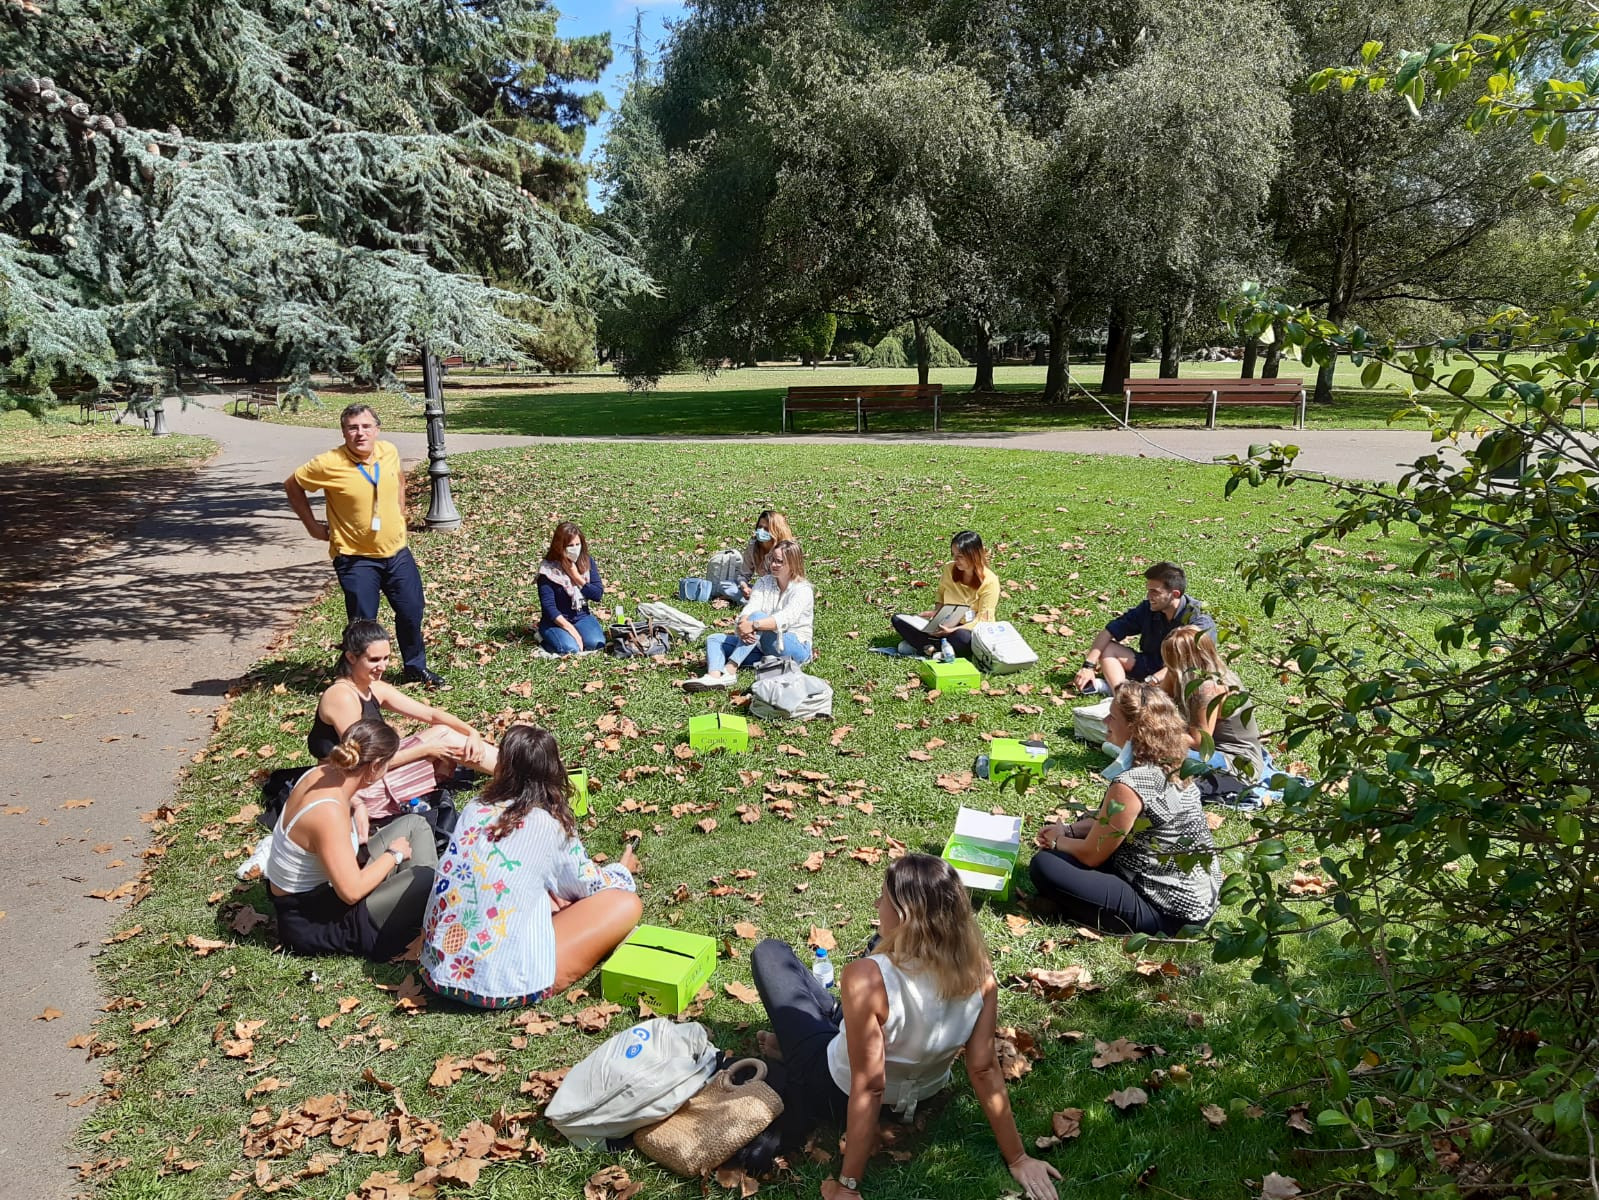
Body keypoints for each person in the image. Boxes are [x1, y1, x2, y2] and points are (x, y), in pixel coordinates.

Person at [749, 854, 1060, 1200]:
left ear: (905, 916)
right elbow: (984, 1068)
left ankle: (801, 1046)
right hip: (921, 1095)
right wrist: (1018, 1157)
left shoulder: (866, 976)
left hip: (836, 1089)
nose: (876, 903)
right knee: (866, 964)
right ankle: (833, 1022)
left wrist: (848, 1185)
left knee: (771, 953)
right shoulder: (980, 972)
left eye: (883, 897)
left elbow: (869, 1088)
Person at [421, 725, 642, 1007]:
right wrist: (621, 870)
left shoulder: (475, 807)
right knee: (625, 904)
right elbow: (589, 885)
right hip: (499, 984)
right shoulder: (549, 825)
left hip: (436, 971)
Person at [1030, 683, 1222, 935]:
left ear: (1134, 728)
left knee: (1046, 865)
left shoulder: (1131, 784)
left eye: (1113, 716)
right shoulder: (1175, 764)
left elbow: (1091, 854)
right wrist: (1069, 830)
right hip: (1199, 901)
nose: (1106, 720)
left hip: (1168, 913)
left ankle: (1079, 912)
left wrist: (1057, 842)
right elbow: (1114, 825)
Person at [285, 403, 442, 687]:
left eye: (366, 427)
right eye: (352, 428)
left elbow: (399, 480)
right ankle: (356, 680)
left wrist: (400, 513)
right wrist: (311, 526)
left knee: (411, 610)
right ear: (344, 432)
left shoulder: (389, 451)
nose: (360, 433)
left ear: (376, 430)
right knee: (362, 623)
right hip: (355, 558)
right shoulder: (328, 463)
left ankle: (415, 668)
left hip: (396, 552)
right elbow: (292, 485)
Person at [266, 718, 438, 960]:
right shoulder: (329, 813)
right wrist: (393, 856)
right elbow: (351, 892)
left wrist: (358, 805)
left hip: (325, 892)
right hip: (313, 918)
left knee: (415, 823)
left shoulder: (319, 772)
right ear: (376, 765)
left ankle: (414, 905)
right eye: (388, 765)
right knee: (427, 877)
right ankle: (419, 908)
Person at [310, 620, 496, 820]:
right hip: (349, 785)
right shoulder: (342, 696)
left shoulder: (373, 687)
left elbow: (430, 715)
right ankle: (519, 773)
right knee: (442, 741)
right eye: (374, 660)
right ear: (351, 657)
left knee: (444, 732)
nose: (382, 666)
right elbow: (364, 762)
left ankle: (517, 767)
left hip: (376, 768)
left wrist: (471, 733)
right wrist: (426, 750)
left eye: (386, 658)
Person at [683, 539, 814, 691]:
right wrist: (742, 624)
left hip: (794, 648)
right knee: (714, 639)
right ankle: (714, 677)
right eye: (772, 559)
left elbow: (784, 619)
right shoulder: (764, 582)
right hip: (763, 646)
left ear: (792, 564)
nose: (773, 565)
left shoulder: (803, 590)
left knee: (758, 617)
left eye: (779, 562)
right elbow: (751, 607)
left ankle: (731, 669)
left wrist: (753, 625)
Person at [1072, 561, 1216, 693]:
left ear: (1175, 594)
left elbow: (1191, 664)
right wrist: (1088, 666)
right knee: (1108, 648)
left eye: (1155, 592)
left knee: (1184, 676)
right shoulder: (1148, 608)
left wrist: (1152, 680)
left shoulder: (1199, 620)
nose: (1149, 596)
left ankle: (1136, 693)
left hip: (1178, 673)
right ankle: (1121, 694)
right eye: (1148, 590)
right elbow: (1109, 631)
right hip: (1149, 664)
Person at [1159, 625, 1266, 783]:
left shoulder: (1207, 689)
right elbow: (1160, 699)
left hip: (1236, 763)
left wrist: (1154, 734)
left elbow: (1199, 743)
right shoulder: (1182, 674)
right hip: (1211, 751)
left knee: (1157, 752)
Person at [889, 530, 999, 659]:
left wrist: (952, 631)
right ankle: (933, 648)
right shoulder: (949, 569)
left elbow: (983, 620)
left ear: (974, 555)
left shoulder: (990, 581)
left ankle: (924, 645)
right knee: (898, 619)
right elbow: (941, 594)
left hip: (967, 628)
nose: (955, 560)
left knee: (963, 638)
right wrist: (936, 613)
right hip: (945, 622)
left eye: (960, 556)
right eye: (953, 555)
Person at [536, 521, 607, 655]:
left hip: (581, 616)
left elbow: (597, 594)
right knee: (570, 649)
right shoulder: (547, 570)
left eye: (577, 545)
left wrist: (576, 576)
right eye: (570, 546)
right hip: (556, 621)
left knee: (596, 644)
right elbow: (549, 607)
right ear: (560, 547)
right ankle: (542, 637)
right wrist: (570, 629)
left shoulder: (586, 562)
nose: (575, 549)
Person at [735, 510, 794, 599]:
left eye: (766, 529)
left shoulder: (786, 550)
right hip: (762, 589)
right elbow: (743, 575)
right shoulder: (753, 547)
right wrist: (744, 587)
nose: (761, 531)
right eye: (760, 527)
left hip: (782, 593)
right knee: (728, 586)